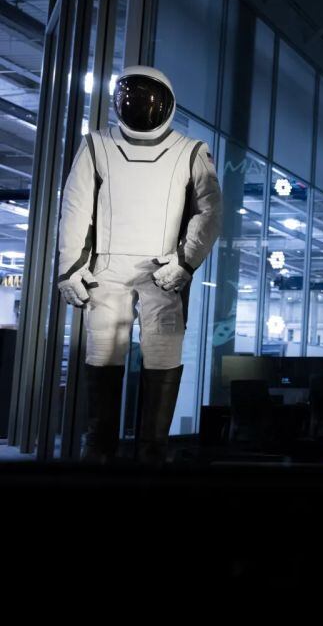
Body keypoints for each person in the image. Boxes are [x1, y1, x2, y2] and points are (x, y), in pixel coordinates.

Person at [58, 65, 222, 463]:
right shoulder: (96, 145)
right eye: (130, 98)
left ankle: (153, 452)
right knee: (103, 353)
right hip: (107, 268)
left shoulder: (190, 151)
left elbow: (210, 211)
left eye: (148, 99)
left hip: (162, 269)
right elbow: (76, 208)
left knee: (163, 353)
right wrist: (69, 267)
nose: (140, 106)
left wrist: (184, 261)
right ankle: (98, 448)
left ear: (165, 101)